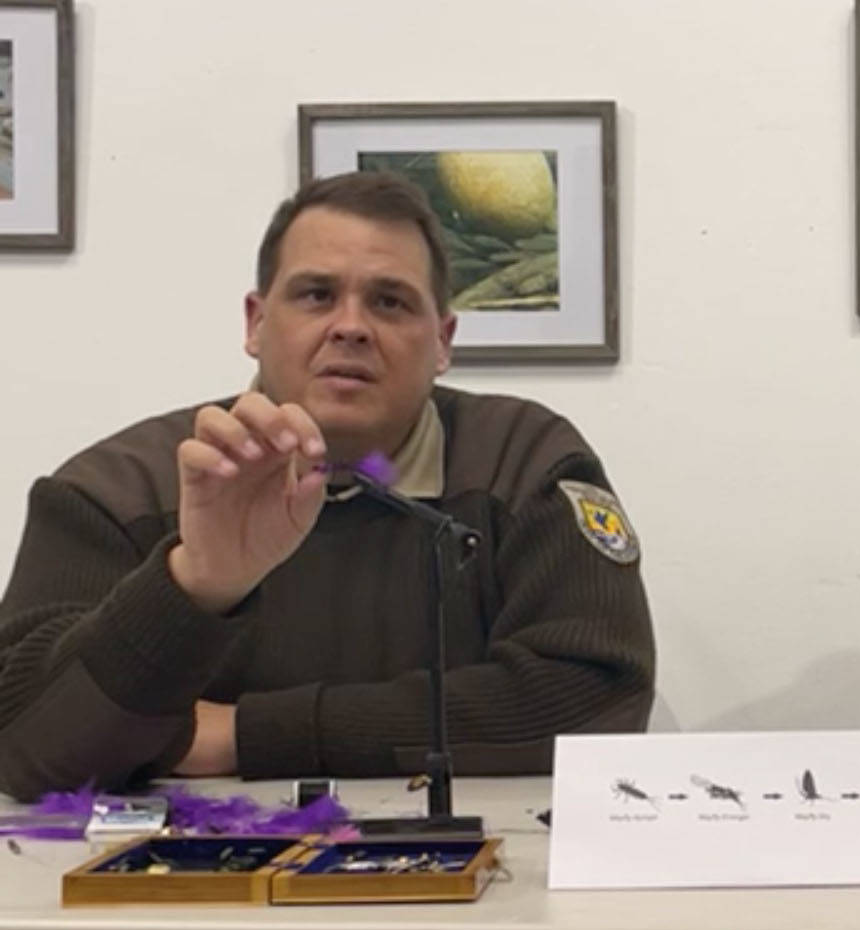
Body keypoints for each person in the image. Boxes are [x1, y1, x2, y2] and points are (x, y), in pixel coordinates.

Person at [0, 172, 655, 802]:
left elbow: (599, 696)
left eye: (389, 301)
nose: (351, 326)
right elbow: (22, 740)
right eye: (316, 295)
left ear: (443, 341)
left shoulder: (524, 460)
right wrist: (193, 583)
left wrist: (246, 735)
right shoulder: (117, 489)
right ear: (256, 323)